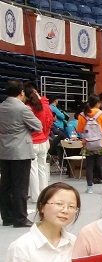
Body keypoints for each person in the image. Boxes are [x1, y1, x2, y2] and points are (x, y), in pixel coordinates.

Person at [0, 80, 42, 228]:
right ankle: (20, 218)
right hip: (21, 151)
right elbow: (38, 126)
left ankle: (7, 217)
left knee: (5, 185)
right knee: (20, 187)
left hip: (4, 149)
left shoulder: (1, 107)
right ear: (21, 92)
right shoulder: (23, 109)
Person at [24, 82, 54, 203]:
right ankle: (45, 194)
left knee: (33, 170)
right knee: (42, 168)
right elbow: (49, 122)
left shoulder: (27, 108)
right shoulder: (46, 106)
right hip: (43, 140)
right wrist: (45, 136)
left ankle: (35, 196)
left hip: (32, 141)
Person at [76, 95, 102, 194]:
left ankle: (89, 188)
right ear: (97, 103)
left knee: (89, 166)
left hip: (88, 143)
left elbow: (79, 130)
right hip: (101, 142)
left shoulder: (82, 115)